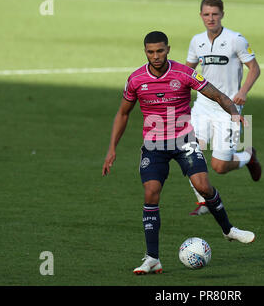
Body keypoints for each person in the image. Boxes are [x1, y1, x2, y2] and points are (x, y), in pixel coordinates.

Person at [102, 31, 255, 275]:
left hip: (184, 139)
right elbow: (123, 113)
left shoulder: (184, 73)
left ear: (168, 49)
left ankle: (229, 230)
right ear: (145, 52)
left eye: (160, 51)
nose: (156, 56)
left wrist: (234, 113)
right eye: (151, 52)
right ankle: (152, 258)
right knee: (151, 193)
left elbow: (215, 94)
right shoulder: (135, 79)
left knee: (203, 186)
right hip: (153, 145)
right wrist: (112, 149)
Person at [186, 0, 262, 216]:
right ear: (201, 15)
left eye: (215, 14)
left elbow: (254, 68)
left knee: (219, 167)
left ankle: (248, 157)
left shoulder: (235, 39)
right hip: (202, 106)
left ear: (222, 15)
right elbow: (187, 71)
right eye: (206, 14)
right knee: (191, 152)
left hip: (228, 109)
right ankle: (203, 202)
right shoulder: (197, 41)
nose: (210, 19)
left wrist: (243, 92)